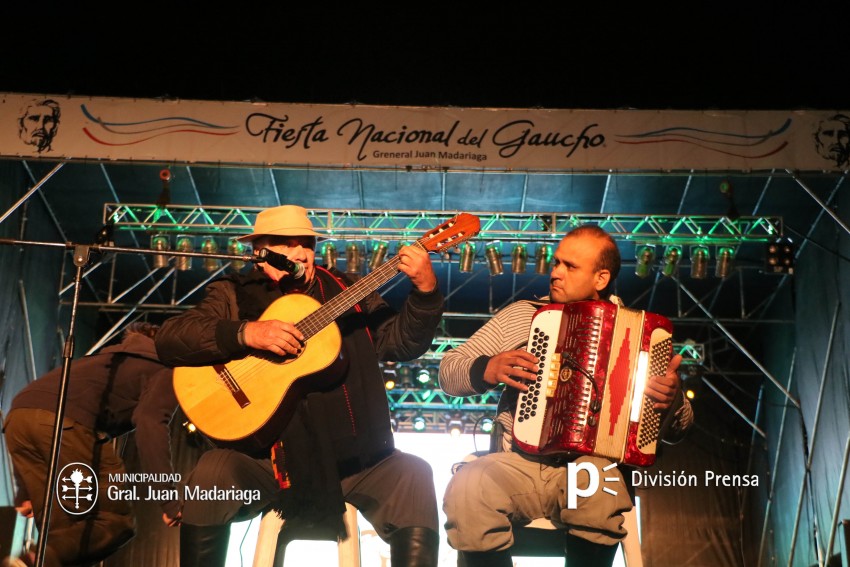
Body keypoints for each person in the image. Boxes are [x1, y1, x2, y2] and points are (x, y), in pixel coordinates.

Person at [154, 204, 444, 567]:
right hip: (265, 463)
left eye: (306, 243)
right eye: (285, 243)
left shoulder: (349, 289)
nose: (300, 253)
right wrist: (247, 332)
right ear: (259, 252)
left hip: (357, 459)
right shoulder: (232, 294)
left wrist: (426, 293)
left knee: (414, 475)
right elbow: (171, 338)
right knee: (212, 472)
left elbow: (400, 344)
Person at [439, 225, 694, 567]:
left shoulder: (642, 336)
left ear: (601, 278)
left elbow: (680, 430)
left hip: (592, 468)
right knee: (469, 484)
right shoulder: (523, 315)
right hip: (520, 463)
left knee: (595, 479)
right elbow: (449, 371)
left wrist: (672, 401)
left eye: (570, 266)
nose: (555, 272)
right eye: (556, 262)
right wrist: (486, 368)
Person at [3, 323, 180, 567]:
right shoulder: (166, 368)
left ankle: (31, 562)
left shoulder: (109, 359)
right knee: (114, 520)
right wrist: (168, 499)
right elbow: (151, 424)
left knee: (66, 534)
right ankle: (32, 562)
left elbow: (36, 406)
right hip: (65, 424)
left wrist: (24, 490)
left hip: (18, 417)